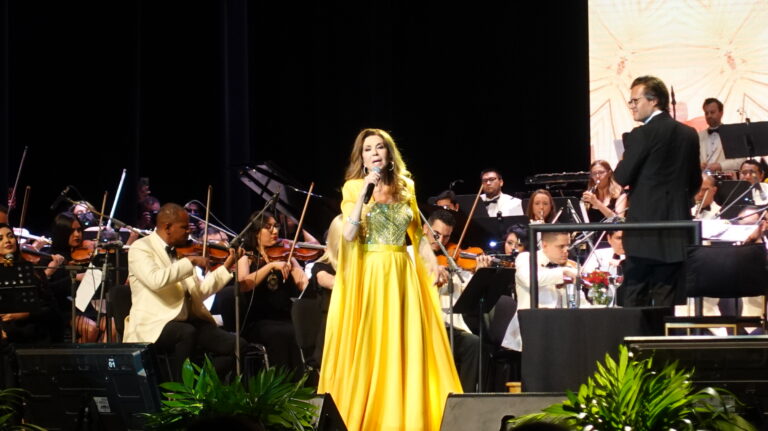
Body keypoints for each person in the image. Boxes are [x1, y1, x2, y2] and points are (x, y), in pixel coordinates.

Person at [318, 129, 462, 430]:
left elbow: (418, 238)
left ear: (389, 152)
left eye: (379, 147)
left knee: (404, 341)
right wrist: (362, 197)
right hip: (371, 273)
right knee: (374, 342)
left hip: (401, 272)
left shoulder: (406, 186)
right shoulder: (353, 187)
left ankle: (407, 412)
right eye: (368, 149)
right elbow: (348, 234)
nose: (374, 153)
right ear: (362, 156)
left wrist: (432, 265)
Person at [124, 203, 241, 380]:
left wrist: (226, 266)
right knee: (186, 333)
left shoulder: (179, 253)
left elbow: (199, 292)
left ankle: (200, 387)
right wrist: (191, 262)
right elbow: (156, 280)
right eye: (184, 227)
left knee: (237, 346)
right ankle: (180, 393)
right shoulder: (141, 248)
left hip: (187, 320)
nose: (189, 231)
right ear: (167, 227)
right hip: (153, 324)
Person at [614, 76, 701, 307]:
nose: (632, 106)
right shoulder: (689, 134)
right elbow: (694, 182)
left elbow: (621, 177)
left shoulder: (641, 134)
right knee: (667, 305)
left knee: (635, 303)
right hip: (676, 231)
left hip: (644, 231)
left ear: (653, 101)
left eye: (635, 101)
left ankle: (635, 345)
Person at [229, 211, 308, 373]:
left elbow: (303, 284)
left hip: (284, 317)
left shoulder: (286, 254)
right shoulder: (247, 257)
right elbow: (244, 284)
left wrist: (297, 271)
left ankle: (300, 385)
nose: (275, 231)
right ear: (256, 232)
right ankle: (280, 387)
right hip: (259, 320)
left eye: (276, 226)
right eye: (268, 227)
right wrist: (270, 266)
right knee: (279, 334)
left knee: (297, 330)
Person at [422, 208, 489, 393]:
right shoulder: (412, 256)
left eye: (446, 236)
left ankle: (463, 398)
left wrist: (479, 276)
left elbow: (466, 293)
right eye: (436, 234)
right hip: (424, 324)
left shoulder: (452, 259)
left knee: (474, 344)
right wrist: (430, 273)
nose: (441, 241)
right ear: (424, 229)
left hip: (449, 326)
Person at [501, 231, 579, 351]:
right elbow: (530, 279)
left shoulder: (570, 266)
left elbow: (578, 301)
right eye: (561, 246)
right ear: (545, 245)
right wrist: (562, 273)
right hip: (531, 332)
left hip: (562, 332)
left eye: (568, 245)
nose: (566, 250)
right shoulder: (526, 258)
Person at [0, 224, 63, 344]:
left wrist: (25, 314)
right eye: (0, 238)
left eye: (10, 236)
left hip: (34, 333)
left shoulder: (34, 271)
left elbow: (50, 307)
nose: (7, 241)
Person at [699, 98, 745, 173]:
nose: (709, 116)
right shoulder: (698, 136)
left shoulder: (733, 134)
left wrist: (720, 165)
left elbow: (741, 161)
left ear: (721, 113)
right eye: (706, 113)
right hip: (703, 181)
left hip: (726, 180)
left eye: (712, 112)